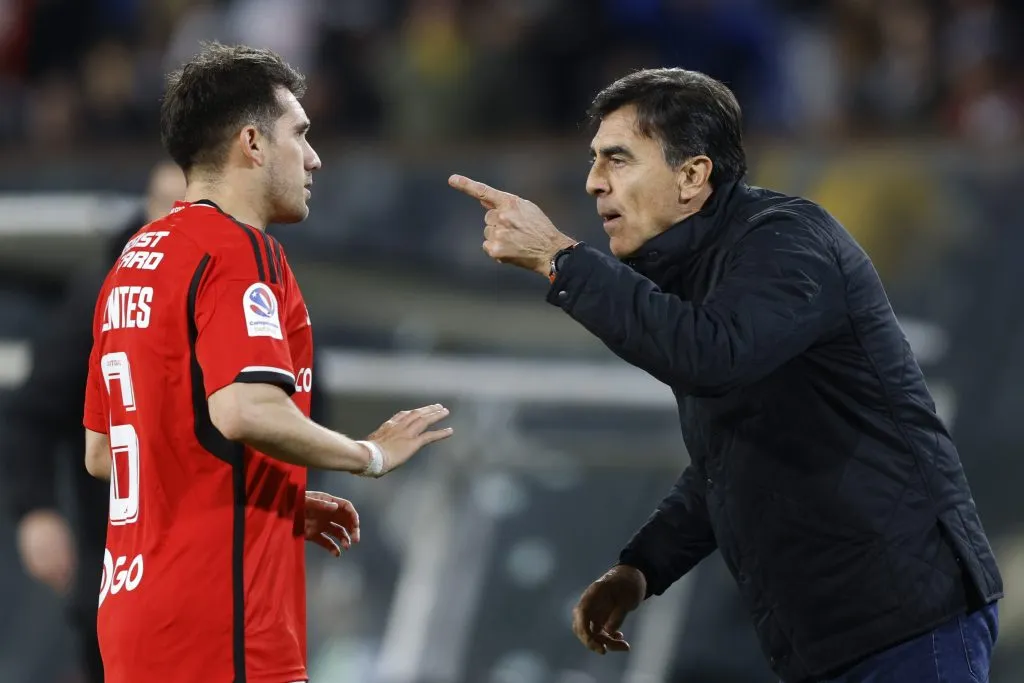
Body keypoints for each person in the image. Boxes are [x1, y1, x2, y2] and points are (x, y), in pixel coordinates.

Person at [449, 67, 1003, 683]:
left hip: (906, 626)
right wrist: (641, 569)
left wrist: (559, 257)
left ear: (692, 176)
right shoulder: (711, 267)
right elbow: (736, 454)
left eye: (618, 160)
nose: (593, 182)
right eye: (593, 161)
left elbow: (712, 355)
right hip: (838, 639)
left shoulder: (788, 242)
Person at [82, 42, 453, 683]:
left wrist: (263, 495)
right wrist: (370, 456)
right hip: (222, 626)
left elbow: (102, 451)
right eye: (300, 134)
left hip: (134, 616)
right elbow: (244, 408)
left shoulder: (134, 261)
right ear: (252, 143)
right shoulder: (237, 250)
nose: (313, 157)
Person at [1, 159, 186, 683]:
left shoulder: (245, 285)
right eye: (164, 207)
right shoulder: (101, 294)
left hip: (222, 571)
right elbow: (34, 411)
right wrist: (36, 508)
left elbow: (304, 399)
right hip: (119, 565)